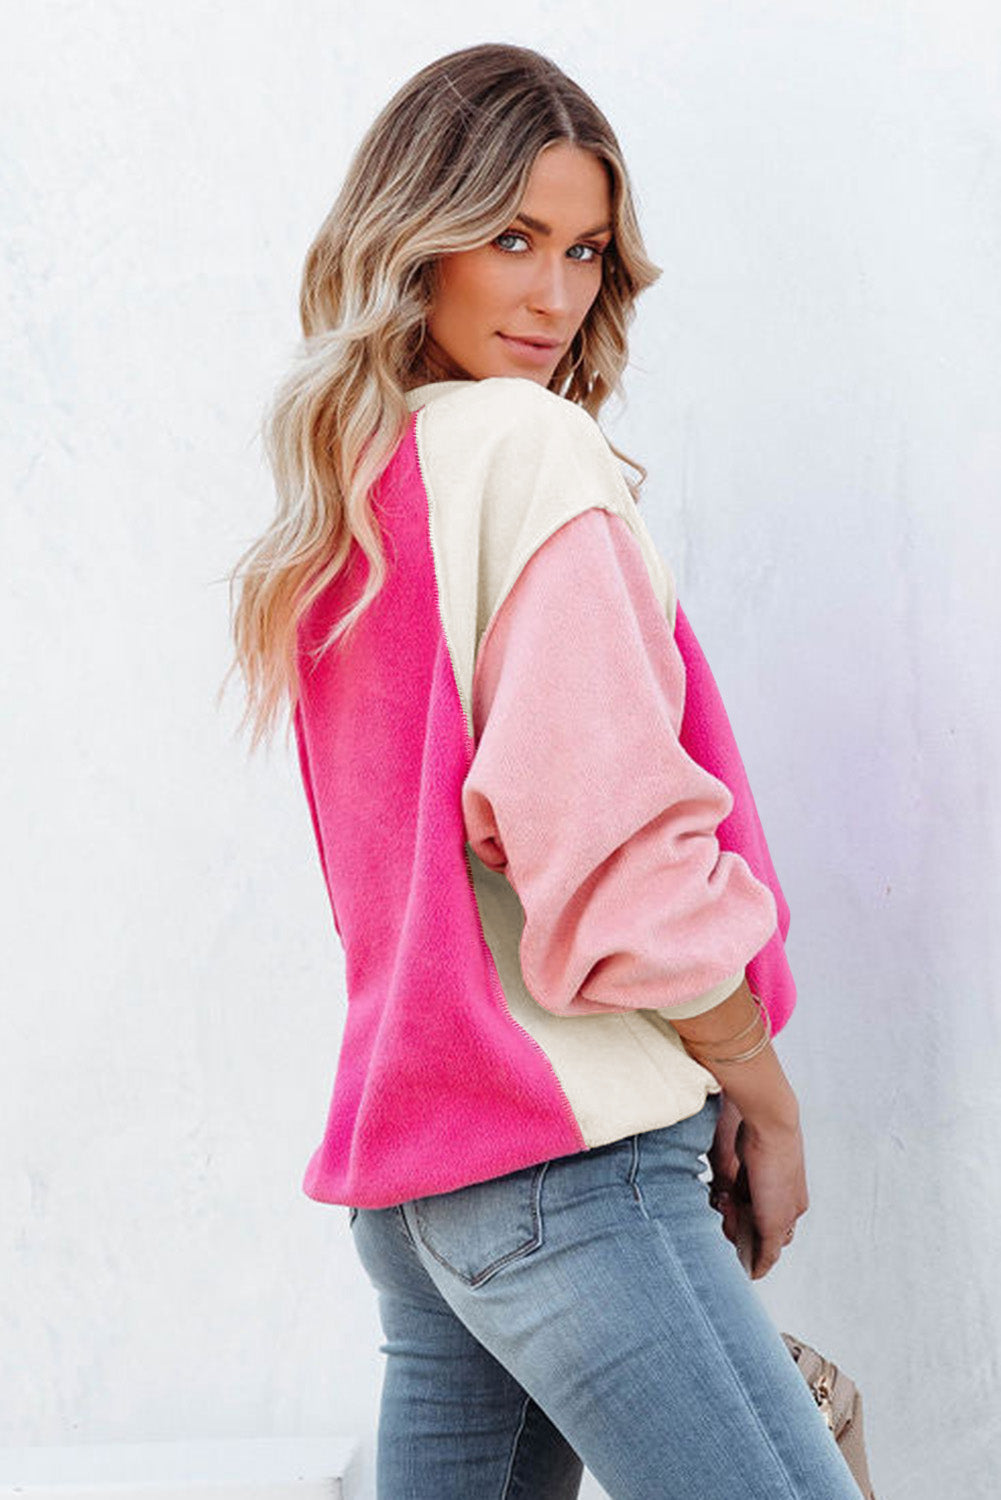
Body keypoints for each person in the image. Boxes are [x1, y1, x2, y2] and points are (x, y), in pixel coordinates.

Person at [227, 42, 860, 1500]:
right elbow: (612, 862)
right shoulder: (527, 452)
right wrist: (763, 1093)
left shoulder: (358, 489)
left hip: (427, 1184)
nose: (556, 294)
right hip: (568, 1170)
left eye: (582, 250)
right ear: (414, 237)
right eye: (510, 238)